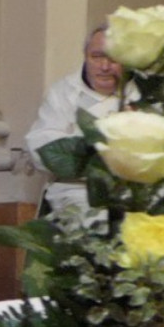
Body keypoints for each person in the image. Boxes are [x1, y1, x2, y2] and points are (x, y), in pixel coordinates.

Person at [27, 24, 133, 214]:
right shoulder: (63, 93)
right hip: (76, 190)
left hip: (135, 192)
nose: (105, 66)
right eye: (97, 57)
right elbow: (41, 149)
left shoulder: (145, 94)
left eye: (114, 58)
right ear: (86, 56)